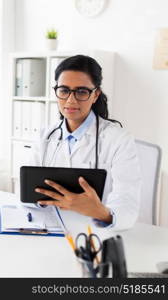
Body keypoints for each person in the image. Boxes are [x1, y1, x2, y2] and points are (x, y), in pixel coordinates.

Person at [30, 55, 141, 231]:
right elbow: (26, 191)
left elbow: (127, 202)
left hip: (96, 233)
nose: (70, 100)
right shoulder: (46, 135)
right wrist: (42, 201)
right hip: (51, 229)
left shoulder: (118, 139)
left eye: (81, 91)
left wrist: (101, 213)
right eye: (64, 90)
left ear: (95, 94)